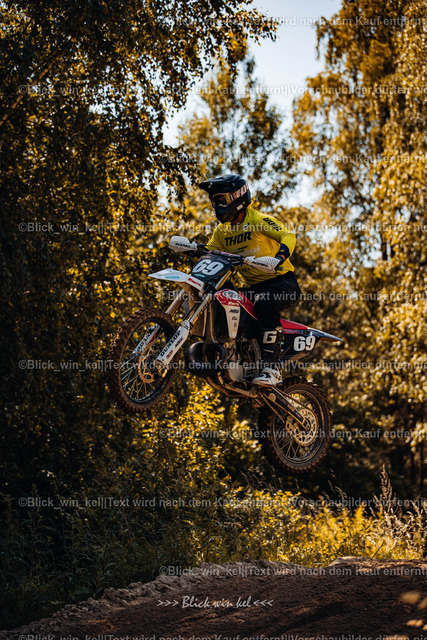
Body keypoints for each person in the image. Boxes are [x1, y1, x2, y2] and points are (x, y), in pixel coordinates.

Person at [198, 174, 301, 387]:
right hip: (254, 288)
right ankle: (243, 359)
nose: (219, 205)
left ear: (238, 197)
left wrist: (279, 258)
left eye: (223, 199)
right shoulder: (222, 232)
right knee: (224, 297)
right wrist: (193, 249)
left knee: (265, 302)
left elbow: (288, 235)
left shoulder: (257, 220)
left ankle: (272, 368)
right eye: (215, 201)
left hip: (283, 282)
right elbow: (209, 252)